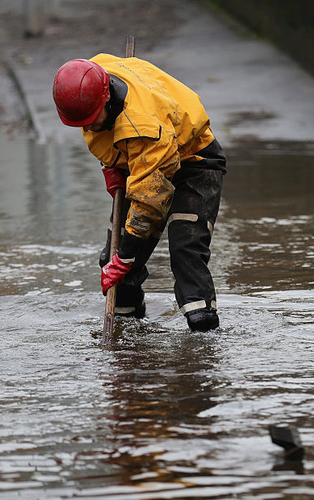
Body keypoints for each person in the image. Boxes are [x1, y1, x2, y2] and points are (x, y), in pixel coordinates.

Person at [51, 55, 226, 331]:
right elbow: (102, 135)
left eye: (92, 119)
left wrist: (125, 258)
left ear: (107, 98)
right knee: (113, 256)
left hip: (194, 161)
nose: (88, 127)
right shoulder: (93, 78)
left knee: (185, 251)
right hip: (142, 161)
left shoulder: (142, 127)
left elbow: (149, 203)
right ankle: (128, 332)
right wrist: (111, 166)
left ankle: (203, 339)